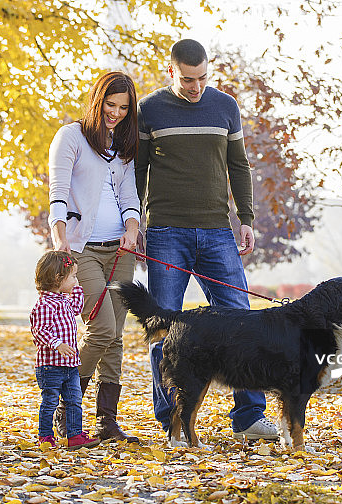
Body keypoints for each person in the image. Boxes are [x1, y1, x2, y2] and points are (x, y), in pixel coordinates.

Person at [135, 39, 279, 443]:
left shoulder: (225, 106)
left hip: (217, 231)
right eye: (186, 79)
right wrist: (136, 221)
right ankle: (174, 424)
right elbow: (138, 171)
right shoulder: (150, 110)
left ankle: (249, 417)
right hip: (165, 232)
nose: (195, 87)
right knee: (164, 327)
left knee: (243, 321)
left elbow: (239, 166)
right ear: (171, 71)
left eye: (201, 78)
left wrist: (246, 219)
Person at [48, 71, 141, 443]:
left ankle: (106, 422)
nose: (116, 113)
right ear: (97, 100)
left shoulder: (122, 145)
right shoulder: (70, 136)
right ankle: (65, 407)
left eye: (123, 107)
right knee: (101, 329)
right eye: (110, 104)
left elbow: (129, 195)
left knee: (115, 336)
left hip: (119, 251)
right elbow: (57, 191)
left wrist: (132, 228)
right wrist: (59, 239)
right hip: (81, 249)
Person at [30, 250, 101, 450]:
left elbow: (77, 308)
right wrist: (57, 344)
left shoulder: (63, 300)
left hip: (70, 366)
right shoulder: (44, 305)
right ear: (57, 278)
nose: (76, 279)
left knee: (74, 401)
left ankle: (74, 435)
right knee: (50, 402)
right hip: (50, 366)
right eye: (73, 276)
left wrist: (77, 288)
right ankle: (45, 436)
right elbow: (39, 331)